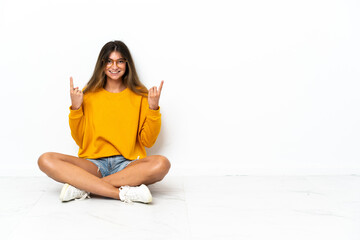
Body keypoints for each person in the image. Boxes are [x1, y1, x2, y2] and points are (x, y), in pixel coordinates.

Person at [38, 40, 170, 203]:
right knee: (45, 159)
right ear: (102, 64)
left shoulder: (141, 96)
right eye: (109, 61)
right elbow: (81, 140)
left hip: (127, 166)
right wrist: (76, 108)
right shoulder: (88, 94)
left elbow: (148, 142)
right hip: (93, 165)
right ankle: (122, 193)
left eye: (120, 61)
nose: (114, 66)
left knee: (162, 164)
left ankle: (84, 187)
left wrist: (153, 109)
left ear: (127, 64)